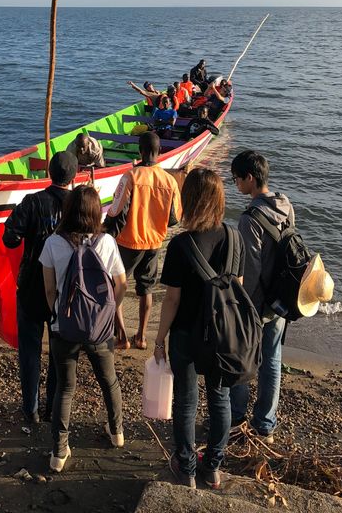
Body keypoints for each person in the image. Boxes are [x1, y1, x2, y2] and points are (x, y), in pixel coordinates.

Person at [153, 168, 245, 489]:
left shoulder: (181, 246)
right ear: (219, 200)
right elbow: (238, 290)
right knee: (220, 399)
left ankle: (187, 469)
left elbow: (172, 301)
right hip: (221, 337)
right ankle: (214, 468)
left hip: (185, 336)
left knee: (186, 402)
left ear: (189, 200)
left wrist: (159, 338)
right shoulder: (234, 238)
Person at [40, 185, 127, 472]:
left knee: (65, 388)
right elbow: (122, 283)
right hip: (100, 329)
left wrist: (59, 315)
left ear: (67, 211)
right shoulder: (107, 242)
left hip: (64, 327)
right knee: (109, 381)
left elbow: (50, 290)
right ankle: (117, 433)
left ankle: (58, 453)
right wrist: (108, 310)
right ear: (94, 212)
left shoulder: (53, 243)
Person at [3, 151, 79, 424]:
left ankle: (31, 409)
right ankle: (54, 408)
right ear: (74, 176)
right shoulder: (78, 205)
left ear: (49, 173)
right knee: (60, 352)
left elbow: (9, 238)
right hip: (66, 289)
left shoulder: (32, 203)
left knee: (30, 351)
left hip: (32, 285)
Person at [229, 150, 294, 443]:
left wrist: (243, 306)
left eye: (237, 179)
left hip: (258, 302)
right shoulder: (286, 204)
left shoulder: (249, 219)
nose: (235, 185)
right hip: (282, 298)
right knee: (272, 360)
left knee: (241, 359)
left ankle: (237, 418)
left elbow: (250, 269)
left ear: (250, 178)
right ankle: (265, 424)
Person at [105, 131, 180, 350]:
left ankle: (121, 336)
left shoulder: (131, 176)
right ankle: (141, 336)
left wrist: (106, 234)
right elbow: (175, 219)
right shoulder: (170, 181)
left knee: (117, 285)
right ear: (160, 151)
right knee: (146, 289)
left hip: (128, 241)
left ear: (140, 151)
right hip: (154, 242)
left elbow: (117, 211)